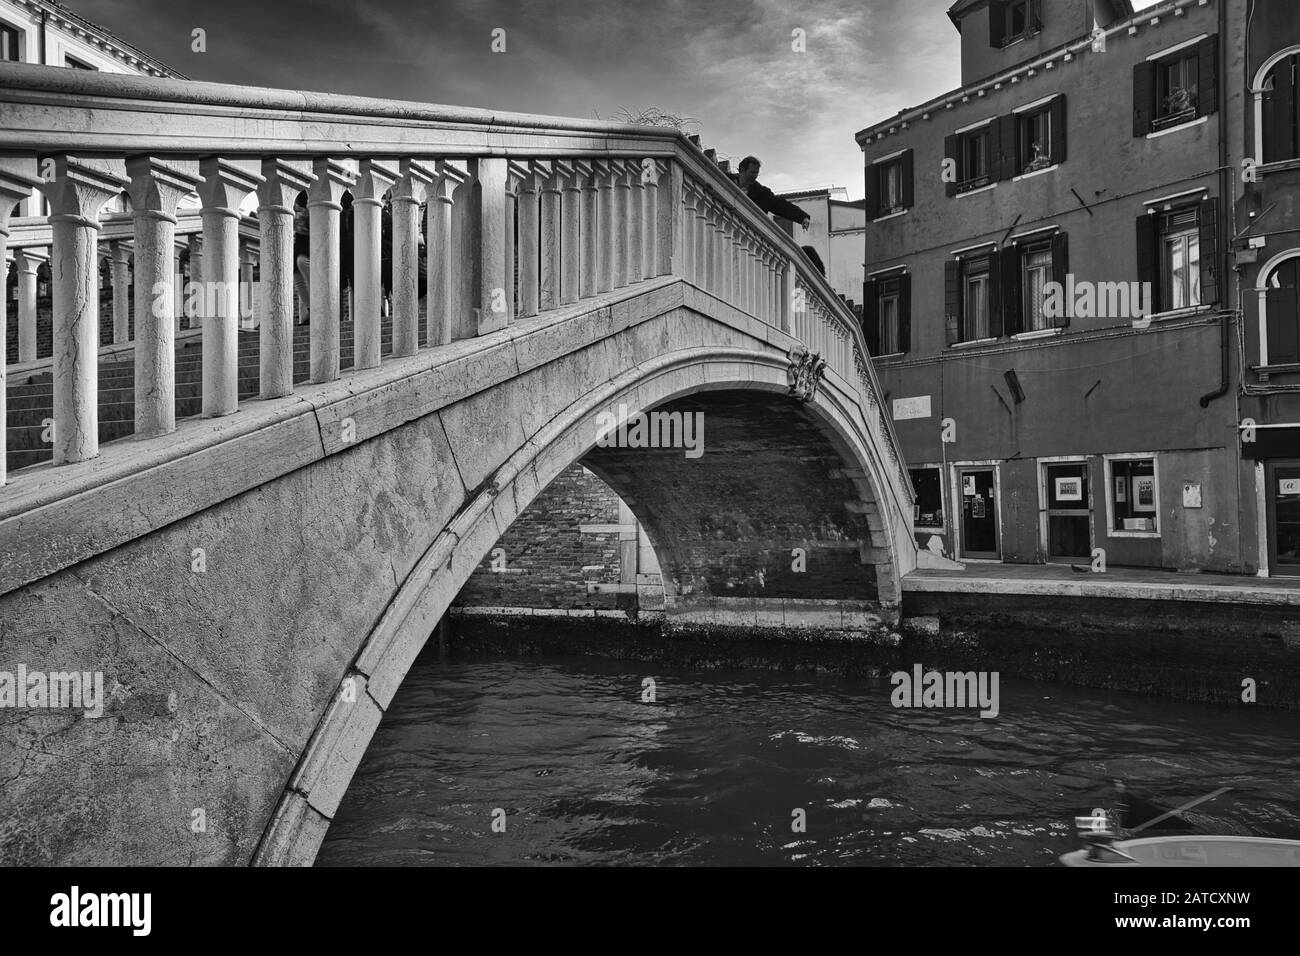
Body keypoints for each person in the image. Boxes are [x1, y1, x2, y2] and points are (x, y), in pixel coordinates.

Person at [730, 156, 812, 230]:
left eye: (757, 173)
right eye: (752, 172)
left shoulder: (762, 193)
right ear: (742, 170)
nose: (755, 176)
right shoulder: (726, 179)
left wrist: (802, 217)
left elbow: (781, 205)